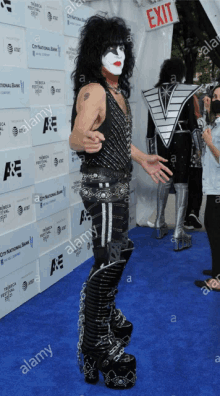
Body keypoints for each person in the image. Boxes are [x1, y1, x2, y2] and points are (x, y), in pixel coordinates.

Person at [69, 15, 173, 389]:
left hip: (118, 188)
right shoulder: (93, 91)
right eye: (109, 48)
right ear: (96, 53)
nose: (117, 55)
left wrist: (142, 158)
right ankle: (97, 342)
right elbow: (77, 134)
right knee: (113, 259)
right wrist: (85, 141)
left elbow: (115, 139)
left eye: (122, 48)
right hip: (101, 190)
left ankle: (98, 326)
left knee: (113, 255)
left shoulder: (118, 95)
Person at [143, 58, 202, 251]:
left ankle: (160, 225)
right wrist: (199, 147)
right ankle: (178, 231)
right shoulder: (183, 92)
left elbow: (150, 130)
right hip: (183, 141)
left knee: (164, 180)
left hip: (162, 142)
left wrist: (151, 155)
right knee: (181, 183)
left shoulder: (154, 94)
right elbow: (192, 123)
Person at [194, 85, 220, 292]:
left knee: (214, 231)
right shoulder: (217, 122)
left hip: (218, 190)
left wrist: (210, 143)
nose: (216, 100)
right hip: (213, 188)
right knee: (213, 230)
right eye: (215, 96)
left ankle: (217, 279)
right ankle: (216, 270)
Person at [183, 94, 204, 230]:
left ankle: (185, 218)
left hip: (183, 161)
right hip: (197, 161)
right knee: (197, 188)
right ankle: (193, 212)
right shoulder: (200, 121)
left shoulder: (182, 121)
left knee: (185, 189)